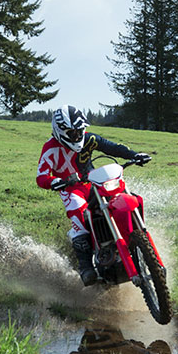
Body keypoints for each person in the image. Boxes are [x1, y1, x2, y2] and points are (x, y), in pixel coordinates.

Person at [36, 105, 151, 286]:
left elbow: (111, 147)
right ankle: (86, 267)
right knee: (78, 214)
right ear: (61, 130)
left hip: (93, 183)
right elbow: (41, 176)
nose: (78, 136)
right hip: (70, 189)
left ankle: (137, 239)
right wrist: (53, 182)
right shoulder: (50, 148)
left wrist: (134, 155)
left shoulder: (89, 139)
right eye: (73, 133)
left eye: (80, 131)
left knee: (128, 197)